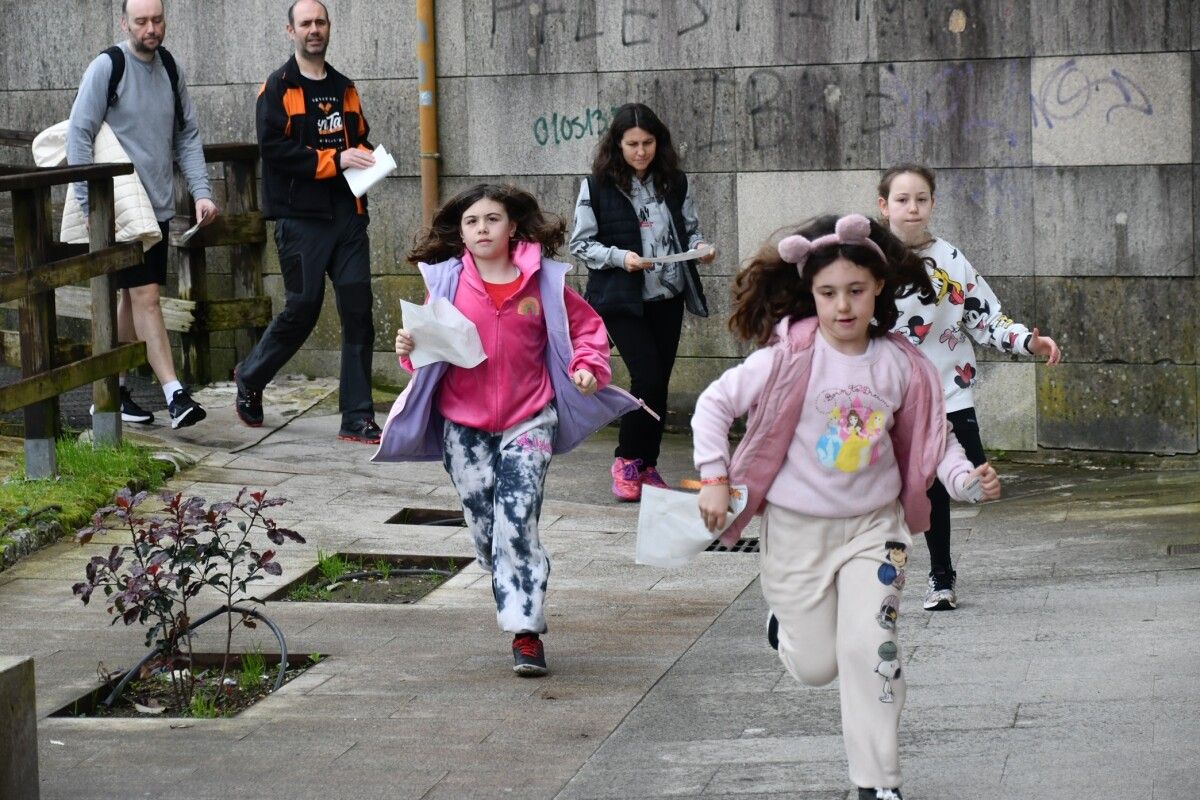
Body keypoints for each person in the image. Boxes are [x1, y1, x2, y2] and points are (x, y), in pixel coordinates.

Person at [691, 214, 1001, 800]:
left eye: (855, 291)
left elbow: (936, 439)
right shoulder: (785, 357)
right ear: (810, 294)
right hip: (797, 530)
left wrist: (965, 480)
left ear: (878, 288)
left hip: (874, 530)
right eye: (828, 293)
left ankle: (877, 783)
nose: (842, 306)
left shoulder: (901, 364)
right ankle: (785, 625)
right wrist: (713, 475)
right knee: (814, 667)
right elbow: (713, 405)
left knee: (872, 648)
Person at [373, 184, 643, 677]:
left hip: (530, 419)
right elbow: (426, 358)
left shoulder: (543, 282)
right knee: (486, 531)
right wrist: (409, 346)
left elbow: (588, 330)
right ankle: (509, 575)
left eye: (492, 220)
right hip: (463, 427)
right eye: (472, 221)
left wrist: (587, 366)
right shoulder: (446, 283)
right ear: (461, 231)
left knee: (516, 523)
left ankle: (525, 632)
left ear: (512, 226)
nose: (482, 229)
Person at [878, 163, 1061, 611]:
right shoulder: (867, 261)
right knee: (895, 492)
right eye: (902, 199)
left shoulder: (951, 259)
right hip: (888, 399)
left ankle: (942, 577)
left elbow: (985, 317)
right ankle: (892, 579)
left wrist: (1027, 342)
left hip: (948, 394)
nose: (912, 208)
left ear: (933, 204)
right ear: (883, 206)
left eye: (921, 199)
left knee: (963, 482)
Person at [233, 0, 381, 443]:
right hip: (300, 220)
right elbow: (274, 150)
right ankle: (251, 376)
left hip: (349, 216)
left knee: (358, 312)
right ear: (290, 31)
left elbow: (359, 136)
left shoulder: (344, 86)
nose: (313, 30)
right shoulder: (277, 87)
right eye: (305, 23)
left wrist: (370, 157)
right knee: (303, 307)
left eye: (320, 22)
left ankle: (356, 416)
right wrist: (335, 159)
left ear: (328, 28)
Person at [67, 0, 217, 429]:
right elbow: (79, 132)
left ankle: (110, 393)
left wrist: (201, 193)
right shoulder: (107, 67)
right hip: (120, 210)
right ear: (124, 22)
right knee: (146, 296)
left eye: (157, 20)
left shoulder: (170, 68)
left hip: (159, 206)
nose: (151, 29)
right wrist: (88, 205)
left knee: (132, 300)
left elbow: (187, 133)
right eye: (142, 21)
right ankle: (175, 394)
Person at [569, 102, 715, 501]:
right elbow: (580, 244)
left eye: (647, 143)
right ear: (617, 145)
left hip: (667, 294)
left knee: (659, 383)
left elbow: (691, 230)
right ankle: (627, 460)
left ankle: (647, 465)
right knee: (646, 377)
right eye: (632, 143)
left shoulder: (676, 181)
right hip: (620, 298)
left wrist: (701, 249)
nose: (640, 152)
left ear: (659, 142)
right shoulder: (596, 185)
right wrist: (621, 258)